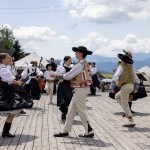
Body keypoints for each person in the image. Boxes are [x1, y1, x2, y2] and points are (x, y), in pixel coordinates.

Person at [53, 46, 94, 138]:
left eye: (77, 52)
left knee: (81, 111)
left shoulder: (80, 65)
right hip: (80, 89)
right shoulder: (83, 64)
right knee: (71, 111)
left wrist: (56, 75)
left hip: (80, 89)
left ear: (81, 53)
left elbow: (68, 76)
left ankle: (89, 131)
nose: (75, 53)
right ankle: (66, 130)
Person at [0, 53, 33, 138]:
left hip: (6, 91)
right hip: (5, 92)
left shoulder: (4, 68)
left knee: (13, 111)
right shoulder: (3, 69)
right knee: (13, 110)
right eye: (8, 58)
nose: (9, 59)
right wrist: (18, 82)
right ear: (3, 59)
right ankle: (5, 132)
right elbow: (11, 79)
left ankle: (5, 132)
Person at [112, 52, 138, 127]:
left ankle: (131, 120)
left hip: (125, 86)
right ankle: (126, 112)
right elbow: (136, 79)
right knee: (117, 96)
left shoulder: (121, 67)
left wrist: (118, 82)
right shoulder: (131, 68)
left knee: (125, 103)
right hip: (131, 85)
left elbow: (115, 77)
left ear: (122, 60)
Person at [56, 56, 73, 121]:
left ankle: (66, 114)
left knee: (69, 99)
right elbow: (59, 76)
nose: (70, 62)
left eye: (71, 61)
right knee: (64, 99)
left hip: (68, 85)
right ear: (65, 61)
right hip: (63, 85)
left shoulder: (71, 68)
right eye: (69, 61)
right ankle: (64, 114)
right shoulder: (61, 68)